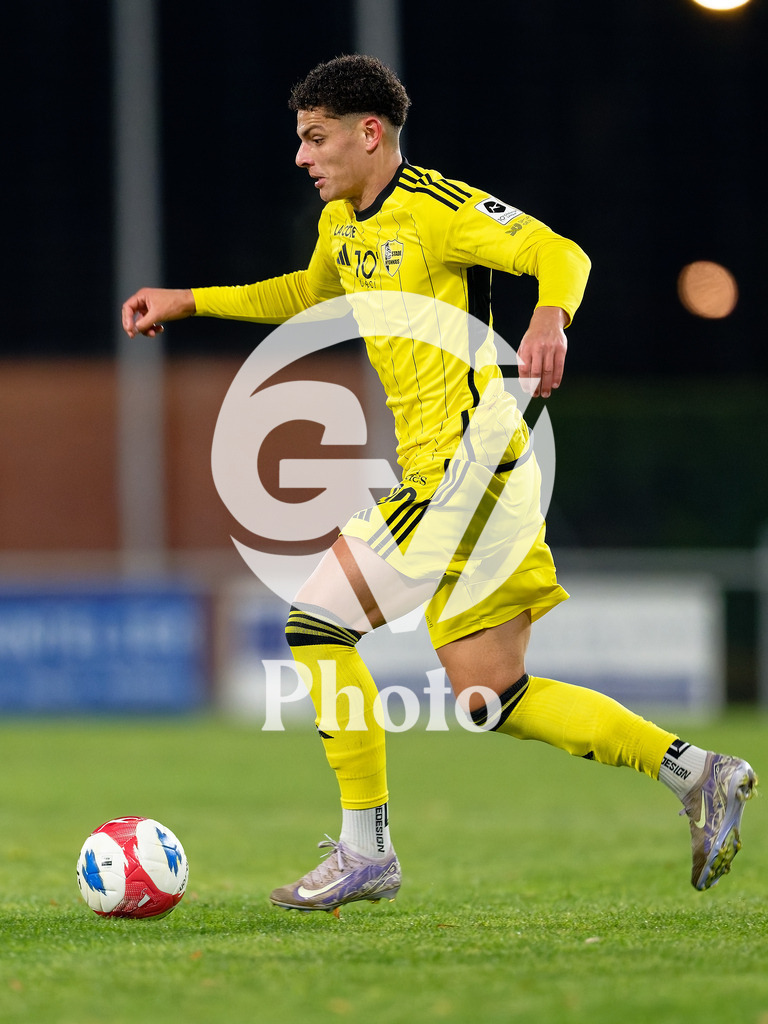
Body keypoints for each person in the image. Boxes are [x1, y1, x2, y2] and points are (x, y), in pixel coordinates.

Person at [122, 54, 756, 914]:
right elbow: (309, 291)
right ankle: (699, 772)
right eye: (300, 141)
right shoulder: (342, 227)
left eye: (316, 139)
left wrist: (547, 316)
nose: (303, 157)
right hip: (468, 482)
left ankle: (365, 849)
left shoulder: (437, 211)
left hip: (469, 466)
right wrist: (191, 300)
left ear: (369, 132)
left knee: (315, 622)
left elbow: (560, 253)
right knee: (495, 697)